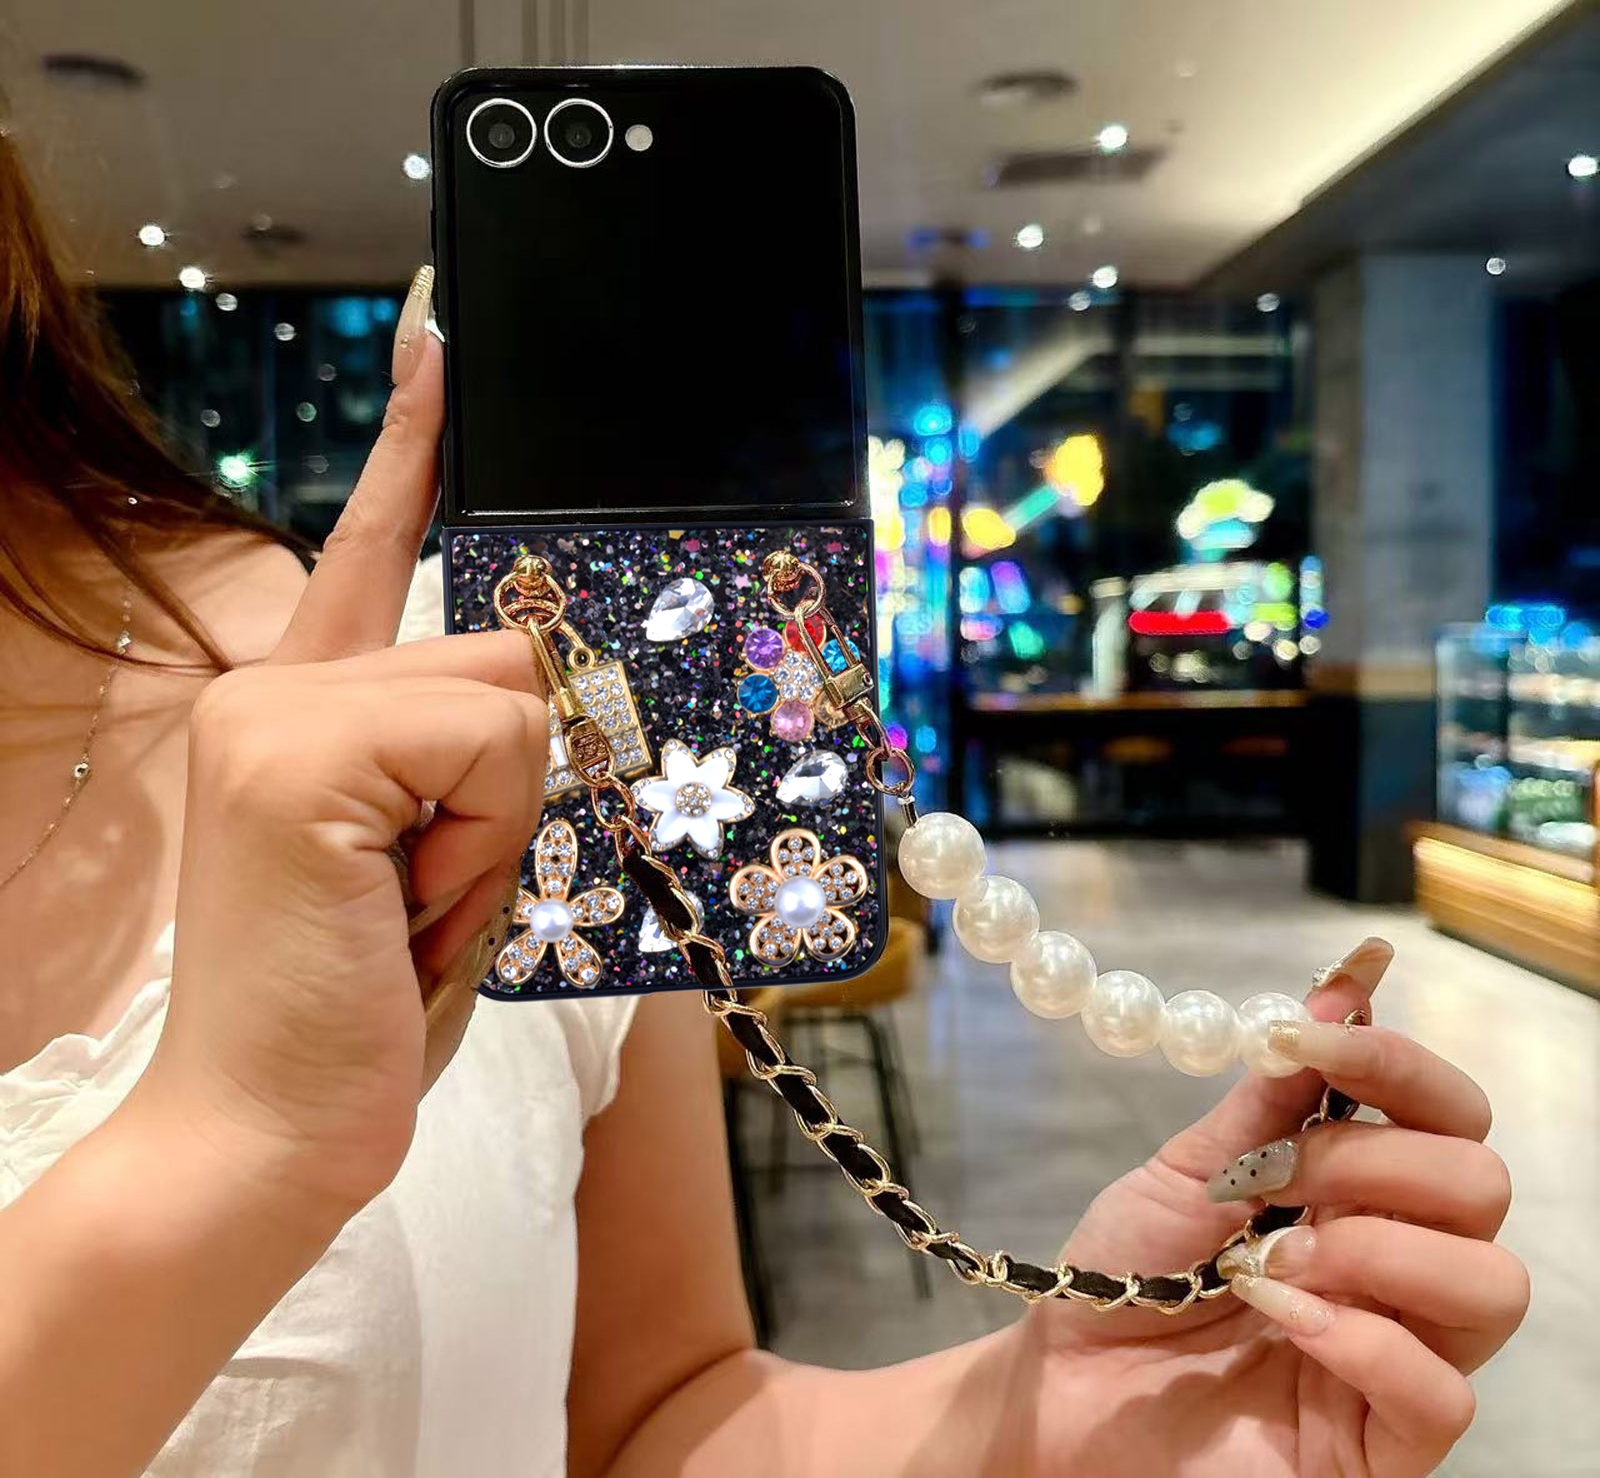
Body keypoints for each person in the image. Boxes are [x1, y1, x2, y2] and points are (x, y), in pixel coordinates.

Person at [0, 134, 1526, 1478]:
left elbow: (660, 1418)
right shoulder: (451, 719)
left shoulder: (480, 710)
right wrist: (231, 1152)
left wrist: (1037, 1427)